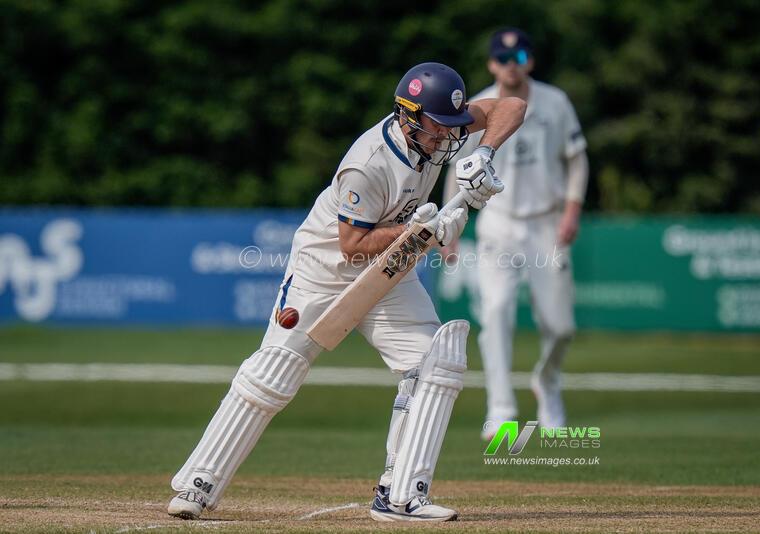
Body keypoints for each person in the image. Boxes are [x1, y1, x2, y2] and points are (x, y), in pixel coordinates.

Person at [167, 62, 526, 522]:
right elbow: (352, 245)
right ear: (409, 116)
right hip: (324, 269)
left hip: (392, 268)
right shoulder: (369, 163)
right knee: (272, 374)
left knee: (435, 363)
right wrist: (427, 231)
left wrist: (486, 152)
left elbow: (512, 105)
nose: (449, 138)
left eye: (455, 128)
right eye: (440, 127)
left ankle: (400, 497)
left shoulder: (438, 129)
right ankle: (199, 483)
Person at [443, 28, 589, 437]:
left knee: (560, 326)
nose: (511, 64)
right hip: (499, 222)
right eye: (503, 58)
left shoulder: (555, 102)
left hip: (546, 222)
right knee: (495, 311)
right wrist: (451, 229)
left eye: (519, 55)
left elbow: (577, 160)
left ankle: (547, 383)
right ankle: (501, 408)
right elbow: (459, 171)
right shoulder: (479, 107)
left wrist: (572, 210)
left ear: (530, 60)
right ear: (492, 63)